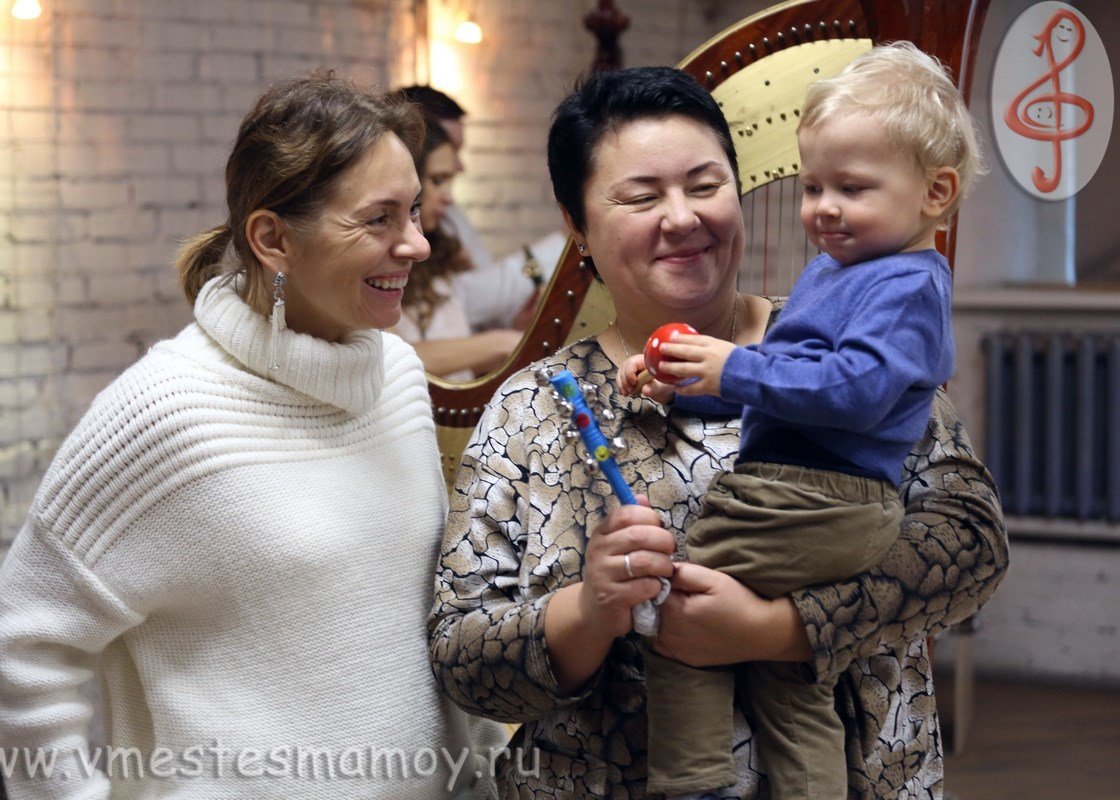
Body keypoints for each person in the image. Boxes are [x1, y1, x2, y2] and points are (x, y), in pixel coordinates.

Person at [427, 65, 1008, 799]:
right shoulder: (535, 407)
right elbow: (465, 663)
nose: (682, 218)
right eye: (641, 197)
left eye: (705, 186)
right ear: (576, 226)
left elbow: (971, 547)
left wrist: (780, 629)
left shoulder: (844, 336)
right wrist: (591, 610)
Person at [0, 72, 503, 800]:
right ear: (273, 239)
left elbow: (420, 619)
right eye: (379, 219)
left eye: (414, 210)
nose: (416, 243)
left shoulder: (396, 376)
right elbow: (29, 642)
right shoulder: (166, 411)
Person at [617, 42, 985, 799]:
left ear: (936, 191)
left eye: (852, 187)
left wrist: (732, 366)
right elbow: (781, 389)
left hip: (815, 498)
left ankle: (693, 783)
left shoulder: (908, 287)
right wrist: (688, 389)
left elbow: (854, 392)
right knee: (792, 685)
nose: (823, 207)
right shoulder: (836, 272)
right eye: (813, 185)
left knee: (676, 611)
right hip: (816, 494)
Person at [399, 85, 562, 334]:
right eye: (438, 179)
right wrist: (501, 341)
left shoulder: (445, 230)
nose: (460, 165)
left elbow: (462, 312)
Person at [393, 117, 524, 380]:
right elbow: (391, 358)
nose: (448, 196)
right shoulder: (385, 264)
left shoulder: (443, 249)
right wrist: (501, 343)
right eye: (437, 180)